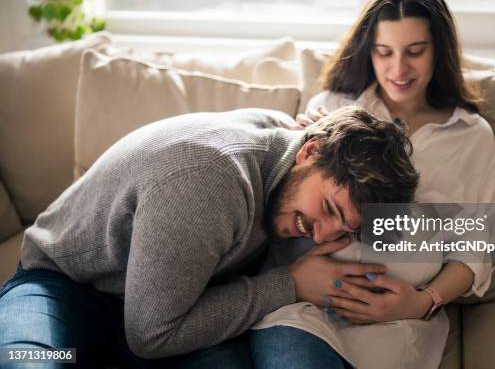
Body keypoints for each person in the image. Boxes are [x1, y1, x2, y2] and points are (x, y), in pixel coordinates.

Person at [0, 106, 419, 368]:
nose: (322, 234)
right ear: (309, 152)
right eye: (328, 208)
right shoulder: (210, 181)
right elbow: (152, 335)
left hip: (180, 304)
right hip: (64, 287)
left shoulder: (287, 140)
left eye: (343, 229)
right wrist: (291, 284)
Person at [250, 0, 495, 369]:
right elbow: (283, 192)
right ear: (368, 51)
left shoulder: (471, 136)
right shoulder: (332, 108)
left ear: (439, 52)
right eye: (384, 52)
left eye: (414, 52)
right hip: (305, 309)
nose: (398, 69)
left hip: (398, 320)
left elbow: (476, 249)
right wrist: (297, 142)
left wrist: (422, 302)